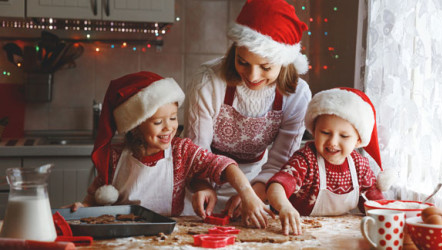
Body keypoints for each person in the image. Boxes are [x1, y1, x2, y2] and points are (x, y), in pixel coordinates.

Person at [66, 71, 273, 228]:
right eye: (158, 122)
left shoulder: (181, 151)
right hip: (122, 235)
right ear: (136, 126)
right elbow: (94, 197)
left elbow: (223, 165)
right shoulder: (115, 156)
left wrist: (248, 194)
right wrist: (81, 209)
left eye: (173, 118)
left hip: (166, 236)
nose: (169, 128)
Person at [183, 0, 312, 218]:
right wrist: (202, 186)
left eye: (265, 67)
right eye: (243, 62)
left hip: (258, 180)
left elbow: (281, 160)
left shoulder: (297, 94)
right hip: (201, 182)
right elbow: (197, 150)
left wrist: (253, 193)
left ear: (284, 61)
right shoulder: (208, 82)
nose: (252, 76)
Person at [266, 87, 393, 235]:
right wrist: (284, 207)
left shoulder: (360, 167)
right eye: (325, 133)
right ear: (314, 131)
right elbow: (276, 186)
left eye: (344, 136)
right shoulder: (306, 160)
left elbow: (375, 203)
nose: (333, 142)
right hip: (295, 231)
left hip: (336, 234)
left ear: (358, 140)